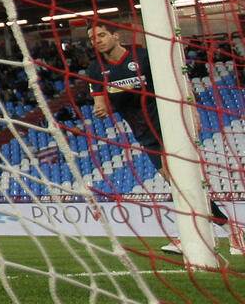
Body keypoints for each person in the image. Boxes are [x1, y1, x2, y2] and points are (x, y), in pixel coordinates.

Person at [85, 20, 243, 255]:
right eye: (92, 38)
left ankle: (198, 234)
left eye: (101, 35)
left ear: (116, 36)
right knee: (177, 182)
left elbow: (176, 80)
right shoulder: (95, 70)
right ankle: (228, 231)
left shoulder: (142, 57)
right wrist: (101, 109)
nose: (96, 40)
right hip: (144, 133)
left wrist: (192, 111)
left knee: (179, 178)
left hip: (168, 123)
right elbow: (101, 103)